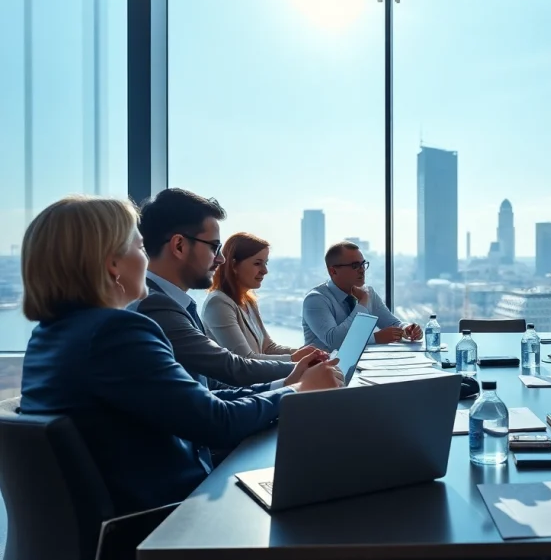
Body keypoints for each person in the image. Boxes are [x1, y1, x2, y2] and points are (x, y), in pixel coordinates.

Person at [18, 195, 339, 514]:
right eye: (140, 248)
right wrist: (296, 392)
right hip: (169, 518)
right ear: (112, 263)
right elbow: (215, 422)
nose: (146, 261)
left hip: (135, 518)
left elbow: (199, 401)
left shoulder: (49, 337)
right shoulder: (115, 333)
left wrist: (287, 386)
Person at [135, 188, 317, 387]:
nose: (221, 259)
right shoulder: (156, 306)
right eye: (214, 247)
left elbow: (210, 386)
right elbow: (231, 367)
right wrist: (304, 370)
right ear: (179, 246)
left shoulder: (174, 303)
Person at [302, 241, 422, 351]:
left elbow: (392, 324)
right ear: (333, 271)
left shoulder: (368, 293)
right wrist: (375, 337)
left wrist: (407, 329)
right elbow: (336, 342)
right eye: (355, 266)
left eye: (363, 264)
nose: (362, 270)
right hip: (322, 371)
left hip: (362, 368)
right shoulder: (315, 300)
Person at [203, 233, 297, 361]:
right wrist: (296, 359)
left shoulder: (248, 301)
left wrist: (302, 353)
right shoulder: (218, 304)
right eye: (258, 263)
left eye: (265, 263)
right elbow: (245, 360)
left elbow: (268, 347)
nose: (265, 270)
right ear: (234, 265)